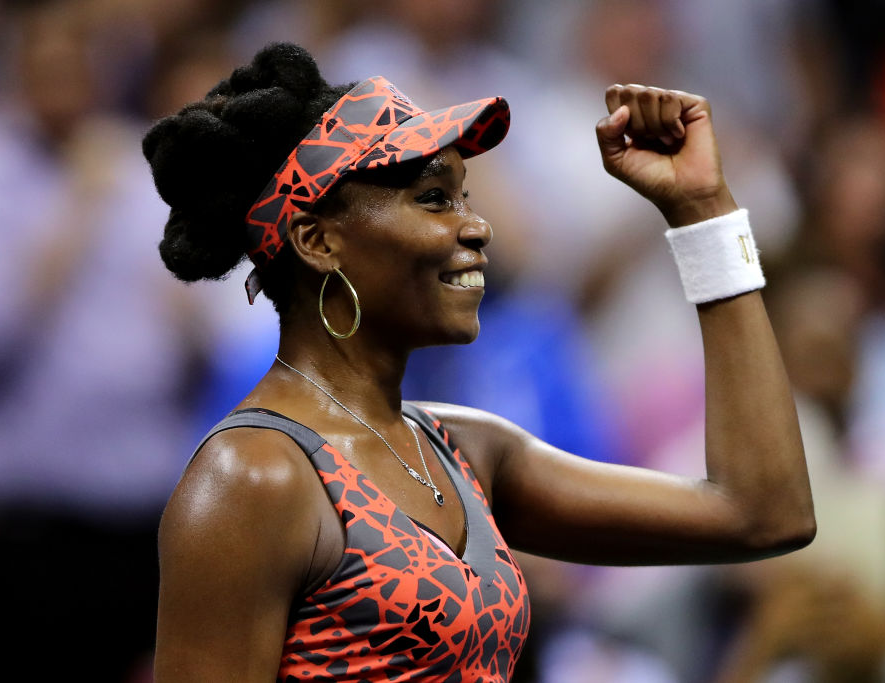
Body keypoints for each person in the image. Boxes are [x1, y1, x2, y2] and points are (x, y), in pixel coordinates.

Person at [142, 42, 815, 682]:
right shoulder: (252, 476)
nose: (476, 225)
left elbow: (762, 512)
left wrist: (702, 212)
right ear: (317, 240)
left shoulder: (468, 451)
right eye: (434, 198)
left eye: (464, 195)